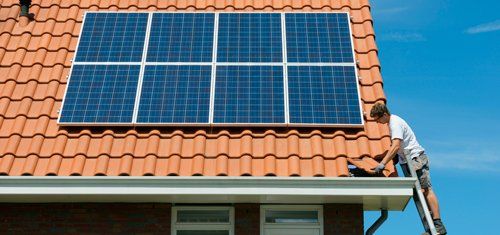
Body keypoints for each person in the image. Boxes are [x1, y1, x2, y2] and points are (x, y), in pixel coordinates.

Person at [370, 102, 447, 235]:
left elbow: (395, 146)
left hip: (416, 159)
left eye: (378, 120)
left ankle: (438, 225)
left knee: (426, 190)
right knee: (419, 193)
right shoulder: (391, 123)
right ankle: (430, 228)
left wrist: (382, 163)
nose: (378, 123)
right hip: (407, 161)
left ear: (384, 114)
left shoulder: (395, 123)